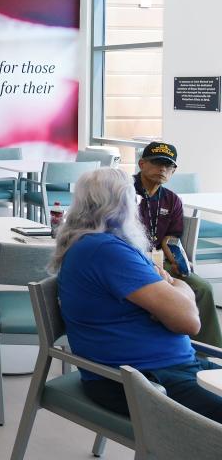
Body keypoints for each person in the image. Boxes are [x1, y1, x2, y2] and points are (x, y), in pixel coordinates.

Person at [52, 167, 222, 423]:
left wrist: (170, 288)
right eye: (135, 198)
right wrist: (175, 285)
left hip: (166, 367)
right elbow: (189, 321)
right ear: (123, 205)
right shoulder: (106, 251)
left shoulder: (97, 244)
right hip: (141, 381)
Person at [134, 141, 222, 347]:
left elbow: (170, 238)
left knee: (202, 287)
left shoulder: (172, 200)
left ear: (173, 171)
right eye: (156, 163)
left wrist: (178, 261)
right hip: (131, 258)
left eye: (168, 165)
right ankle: (169, 347)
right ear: (142, 164)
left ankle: (208, 350)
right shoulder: (123, 190)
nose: (162, 169)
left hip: (158, 260)